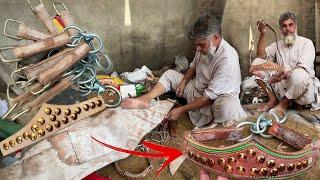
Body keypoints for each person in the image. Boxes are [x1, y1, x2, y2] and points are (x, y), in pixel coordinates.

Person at [121, 13, 247, 129]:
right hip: (197, 90)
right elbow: (193, 66)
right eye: (196, 44)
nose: (198, 49)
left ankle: (215, 126)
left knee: (226, 108)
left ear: (216, 37)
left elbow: (208, 98)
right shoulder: (205, 49)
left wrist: (182, 109)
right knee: (169, 75)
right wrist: (184, 81)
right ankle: (145, 99)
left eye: (201, 44)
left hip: (214, 100)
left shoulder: (227, 59)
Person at [252, 11, 320, 113]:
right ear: (280, 29)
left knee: (298, 75)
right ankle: (273, 100)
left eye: (290, 25)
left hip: (302, 88)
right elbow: (260, 56)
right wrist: (262, 34)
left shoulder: (306, 43)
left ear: (295, 26)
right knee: (257, 64)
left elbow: (302, 69)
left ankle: (283, 104)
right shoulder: (277, 45)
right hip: (282, 86)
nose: (287, 29)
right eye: (284, 26)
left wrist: (281, 75)